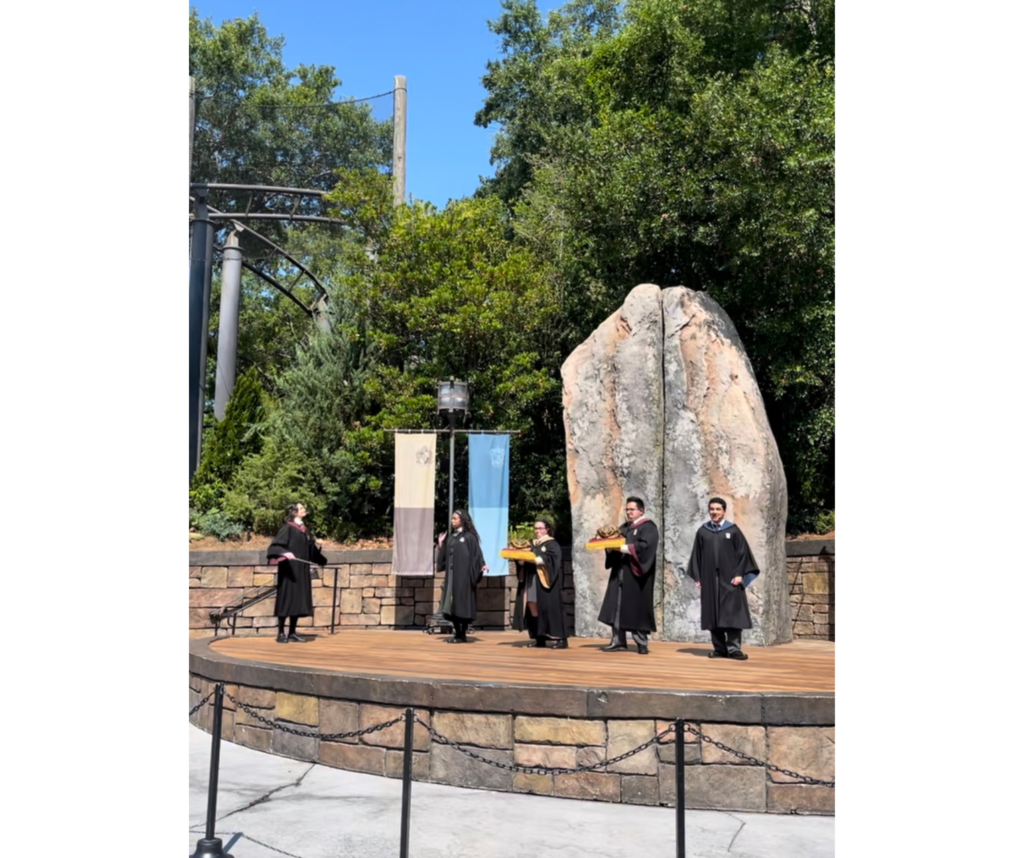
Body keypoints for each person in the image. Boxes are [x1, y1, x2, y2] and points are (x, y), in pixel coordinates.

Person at [686, 497, 760, 660]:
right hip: (710, 579)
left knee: (732, 614)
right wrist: (698, 576)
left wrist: (740, 574)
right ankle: (719, 648)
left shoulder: (733, 530)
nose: (714, 512)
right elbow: (696, 556)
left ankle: (734, 649)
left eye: (718, 509)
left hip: (731, 579)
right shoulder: (703, 531)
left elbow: (743, 554)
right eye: (712, 509)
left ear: (724, 511)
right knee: (713, 614)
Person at [597, 497, 659, 654]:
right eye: (627, 509)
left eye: (632, 509)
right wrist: (606, 543)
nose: (629, 512)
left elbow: (645, 548)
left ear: (641, 510)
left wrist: (622, 547)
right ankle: (618, 640)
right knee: (616, 605)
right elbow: (613, 542)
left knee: (637, 608)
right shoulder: (624, 527)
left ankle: (641, 643)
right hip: (620, 571)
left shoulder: (649, 527)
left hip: (637, 574)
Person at [267, 502, 327, 644]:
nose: (304, 510)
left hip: (302, 571)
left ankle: (292, 632)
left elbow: (310, 550)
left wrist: (321, 560)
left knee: (298, 601)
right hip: (289, 571)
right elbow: (275, 547)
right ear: (294, 512)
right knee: (286, 599)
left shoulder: (305, 530)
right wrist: (285, 553)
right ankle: (281, 633)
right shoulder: (287, 528)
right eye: (301, 508)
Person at [512, 518, 569, 649]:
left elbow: (552, 560)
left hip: (545, 580)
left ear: (547, 529)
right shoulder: (532, 543)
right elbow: (524, 558)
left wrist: (534, 559)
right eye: (535, 528)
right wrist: (520, 559)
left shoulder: (552, 544)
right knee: (532, 605)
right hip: (531, 579)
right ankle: (540, 637)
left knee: (549, 609)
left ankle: (560, 638)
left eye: (540, 528)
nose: (537, 531)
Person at [437, 509, 489, 643]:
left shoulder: (469, 537)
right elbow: (446, 556)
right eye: (452, 518)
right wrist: (442, 544)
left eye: (455, 518)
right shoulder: (451, 537)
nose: (452, 521)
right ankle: (457, 633)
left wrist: (482, 565)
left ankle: (462, 634)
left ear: (462, 520)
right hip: (452, 577)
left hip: (464, 577)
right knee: (451, 603)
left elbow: (476, 554)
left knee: (463, 604)